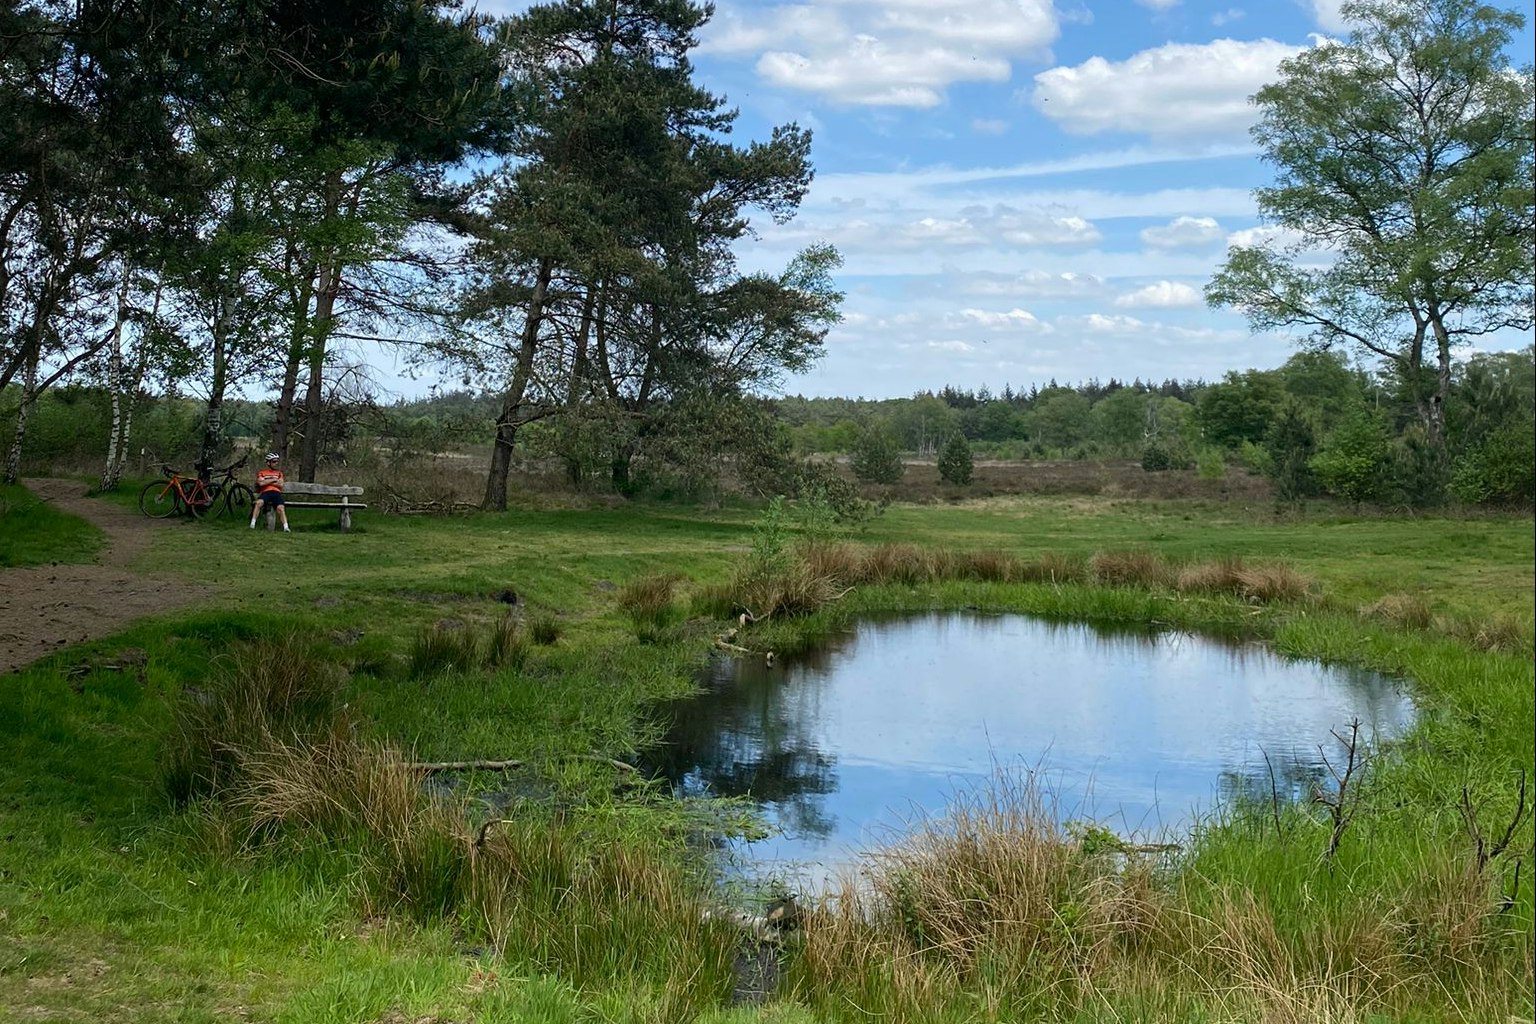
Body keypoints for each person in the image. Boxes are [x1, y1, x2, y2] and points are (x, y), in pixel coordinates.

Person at [250, 452, 291, 532]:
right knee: (259, 503)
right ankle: (252, 524)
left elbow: (281, 484)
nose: (276, 463)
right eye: (274, 461)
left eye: (277, 461)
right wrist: (274, 479)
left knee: (280, 508)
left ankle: (286, 527)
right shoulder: (262, 472)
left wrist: (267, 481)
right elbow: (261, 483)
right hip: (266, 492)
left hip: (276, 493)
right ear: (268, 463)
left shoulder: (279, 473)